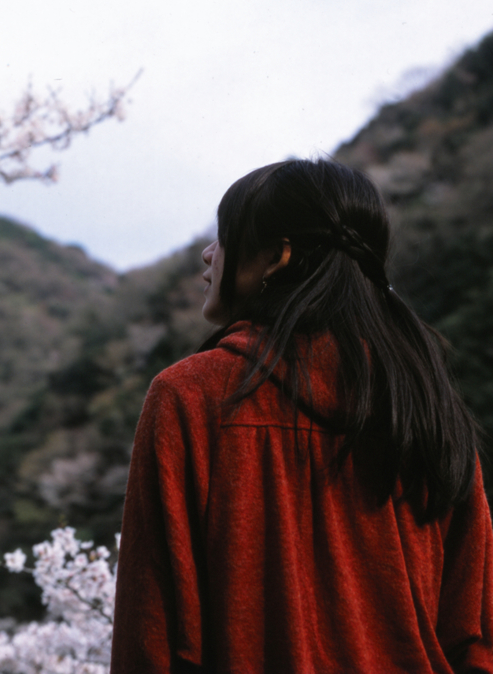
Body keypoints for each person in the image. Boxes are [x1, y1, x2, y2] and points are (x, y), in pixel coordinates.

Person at [110, 158, 493, 673]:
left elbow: (152, 632)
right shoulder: (426, 402)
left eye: (222, 237)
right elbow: (474, 632)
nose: (208, 254)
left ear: (276, 258)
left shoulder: (192, 397)